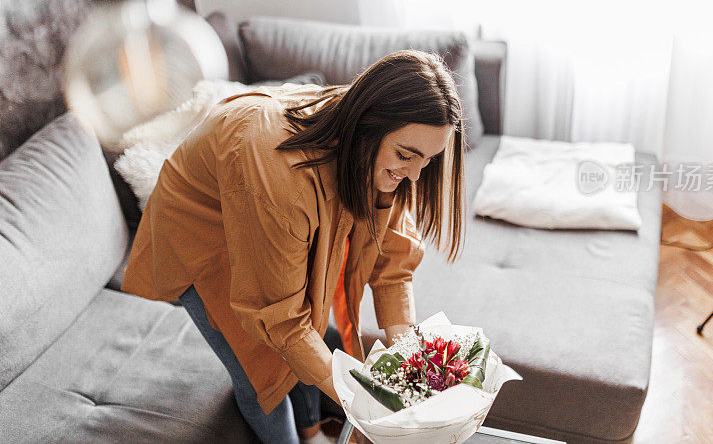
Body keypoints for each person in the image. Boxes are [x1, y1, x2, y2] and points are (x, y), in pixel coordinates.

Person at [121, 49, 465, 443]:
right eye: (406, 156)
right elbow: (284, 323)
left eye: (428, 160)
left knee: (310, 337)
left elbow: (392, 260)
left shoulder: (375, 148)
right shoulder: (280, 175)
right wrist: (368, 399)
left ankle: (312, 432)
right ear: (365, 127)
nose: (416, 176)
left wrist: (410, 354)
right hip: (203, 235)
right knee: (259, 376)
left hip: (268, 215)